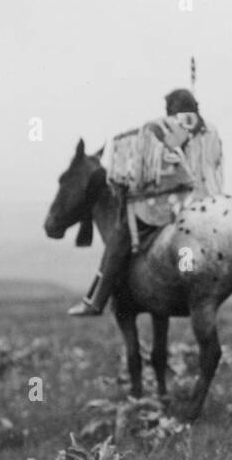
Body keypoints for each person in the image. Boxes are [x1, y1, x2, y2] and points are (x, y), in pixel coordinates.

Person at [67, 88, 223, 316]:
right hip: (209, 202)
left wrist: (131, 186)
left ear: (170, 109)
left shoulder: (158, 128)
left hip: (170, 205)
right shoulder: (211, 130)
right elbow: (215, 166)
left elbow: (144, 173)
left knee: (119, 236)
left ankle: (97, 300)